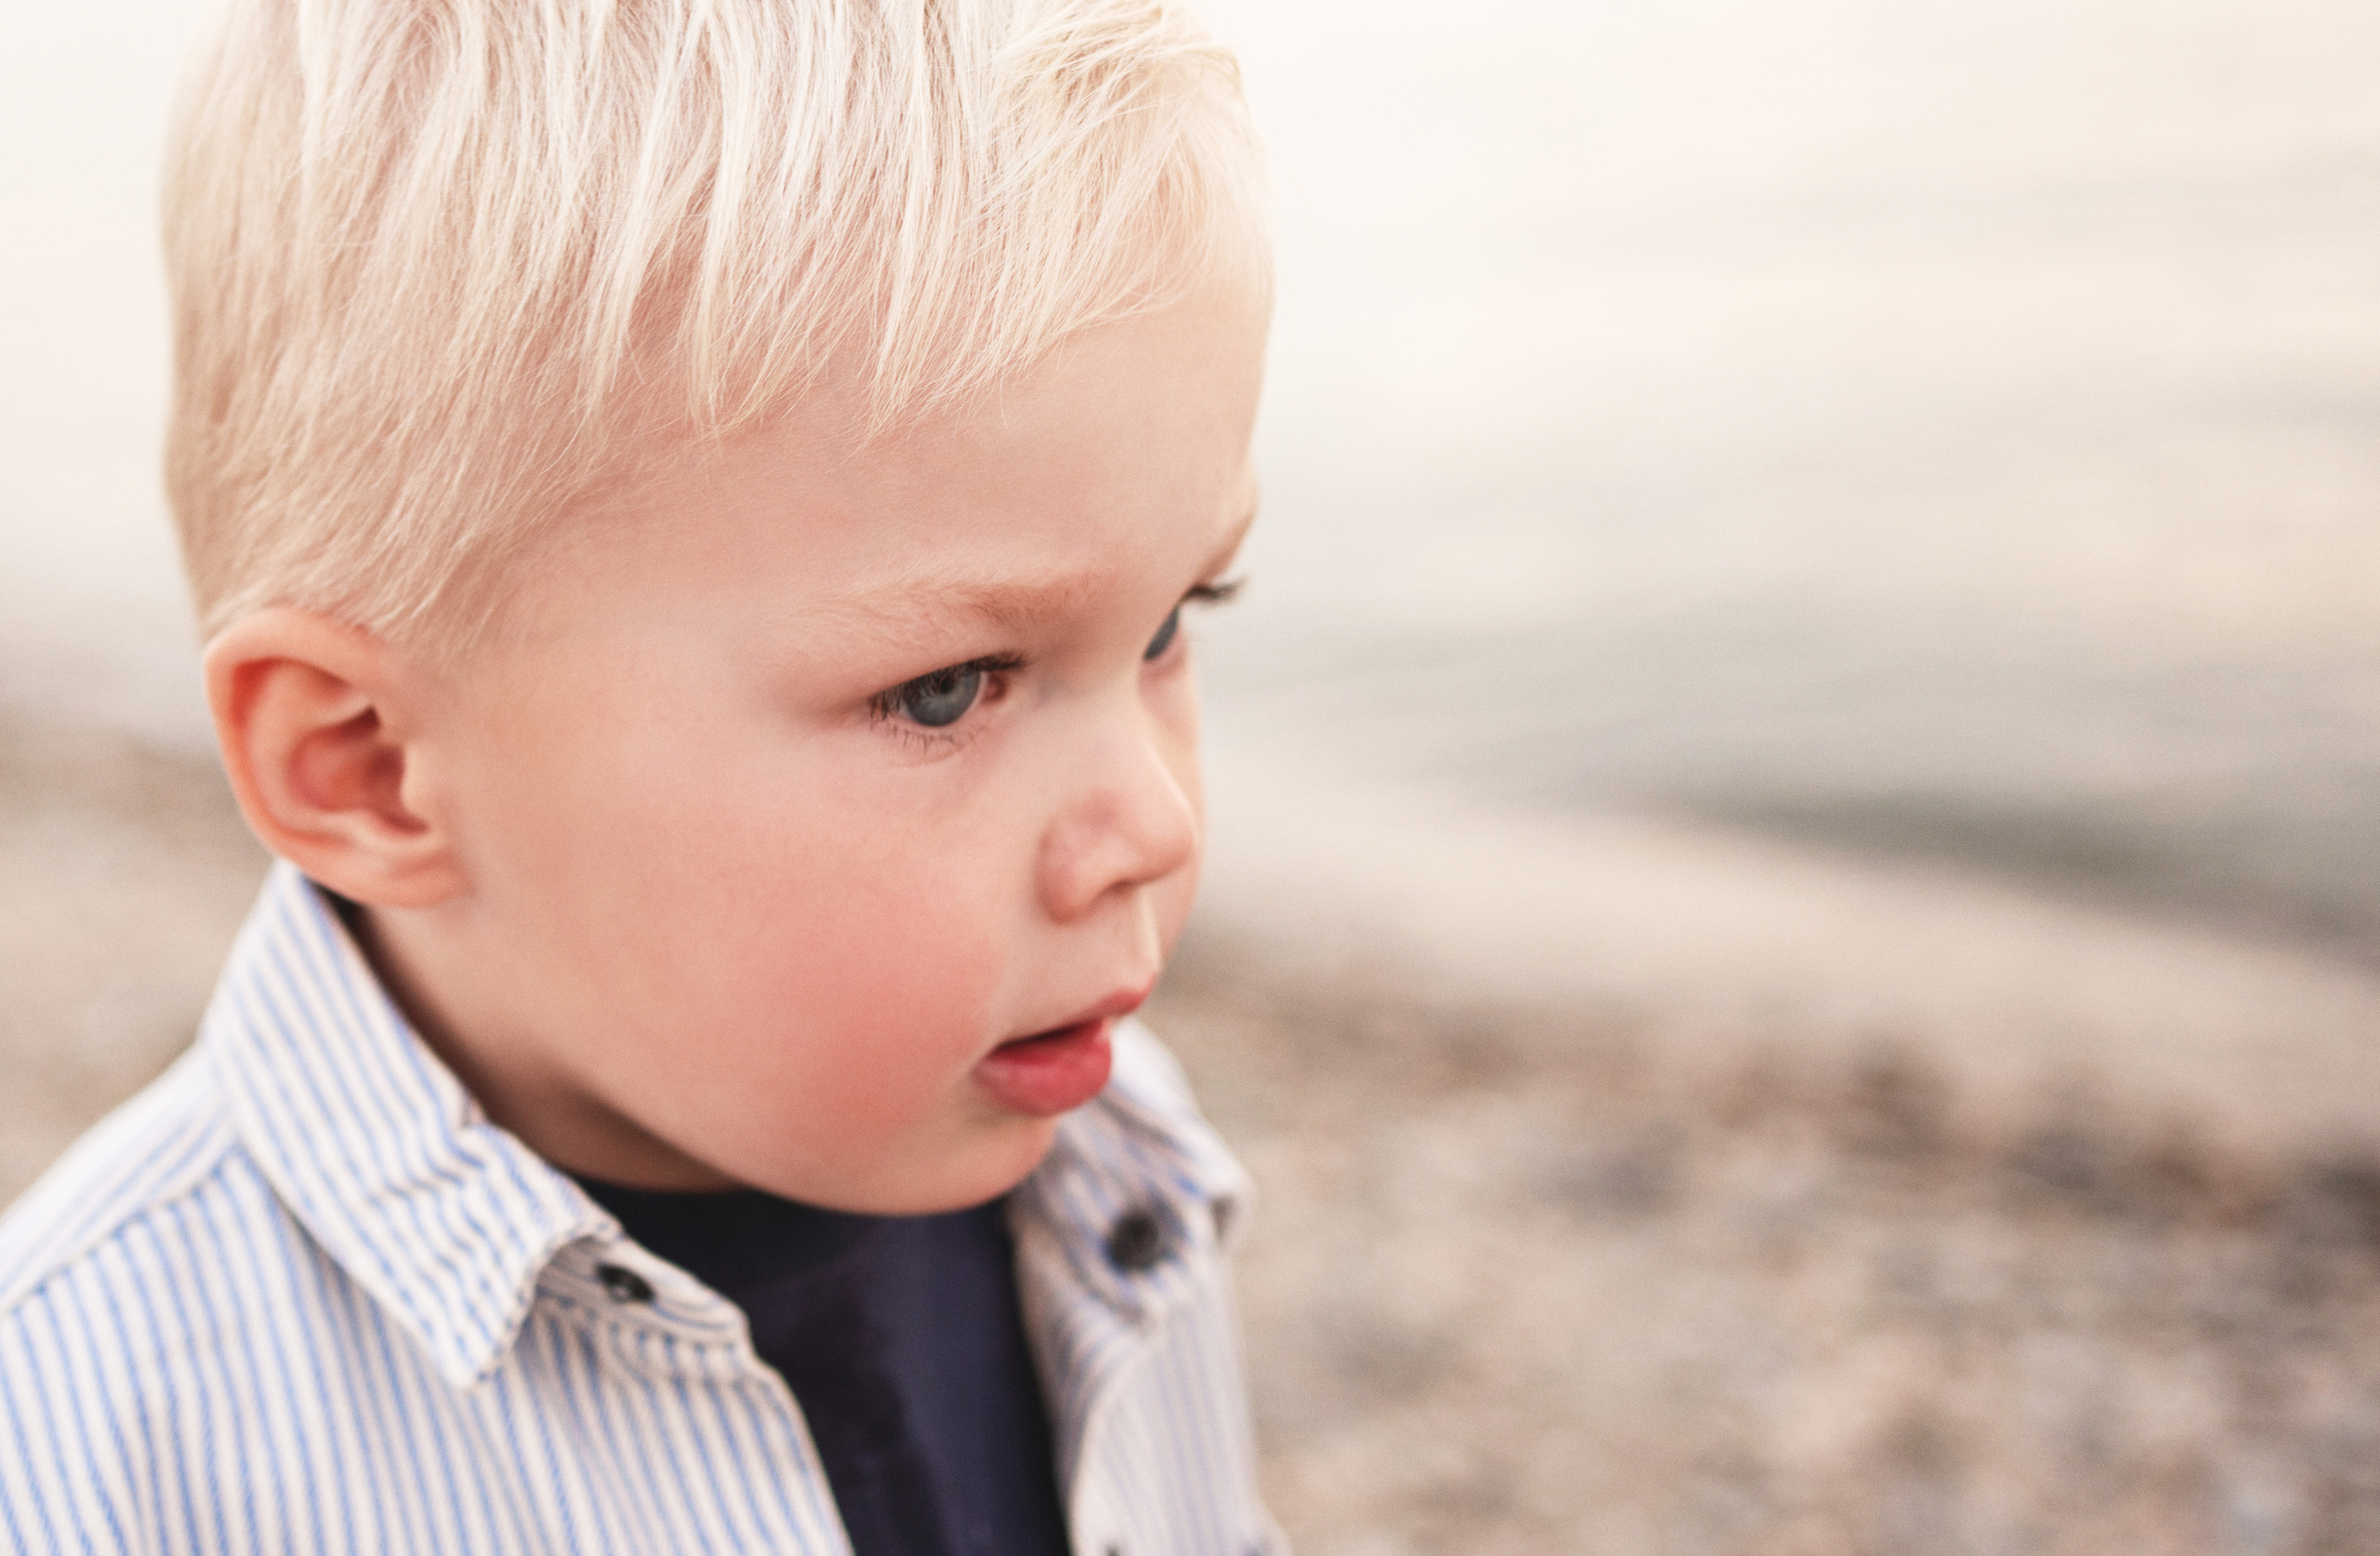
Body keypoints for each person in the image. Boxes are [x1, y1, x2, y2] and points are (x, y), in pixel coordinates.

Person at [0, 1, 1283, 1550]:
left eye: (1171, 622)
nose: (1156, 822)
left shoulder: (1113, 1163)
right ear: (370, 769)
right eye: (945, 689)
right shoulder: (89, 1453)